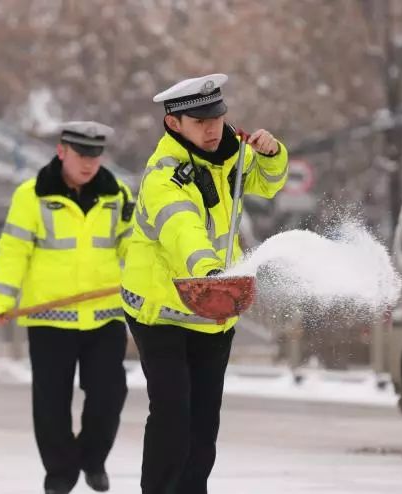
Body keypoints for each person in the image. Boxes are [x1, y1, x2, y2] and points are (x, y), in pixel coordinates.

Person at [121, 74, 290, 494]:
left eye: (216, 117)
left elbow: (269, 183)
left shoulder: (231, 152)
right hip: (161, 309)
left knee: (203, 422)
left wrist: (272, 154)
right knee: (173, 413)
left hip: (213, 309)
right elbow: (183, 229)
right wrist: (210, 272)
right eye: (200, 122)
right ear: (174, 123)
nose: (212, 128)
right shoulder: (163, 178)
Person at [0, 121, 133, 494]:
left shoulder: (117, 194)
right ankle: (60, 474)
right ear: (61, 151)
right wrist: (2, 301)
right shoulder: (31, 196)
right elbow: (14, 251)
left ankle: (93, 458)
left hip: (105, 316)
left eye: (95, 156)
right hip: (49, 318)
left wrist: (142, 283)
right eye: (82, 155)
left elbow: (133, 248)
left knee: (109, 395)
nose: (89, 164)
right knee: (51, 403)